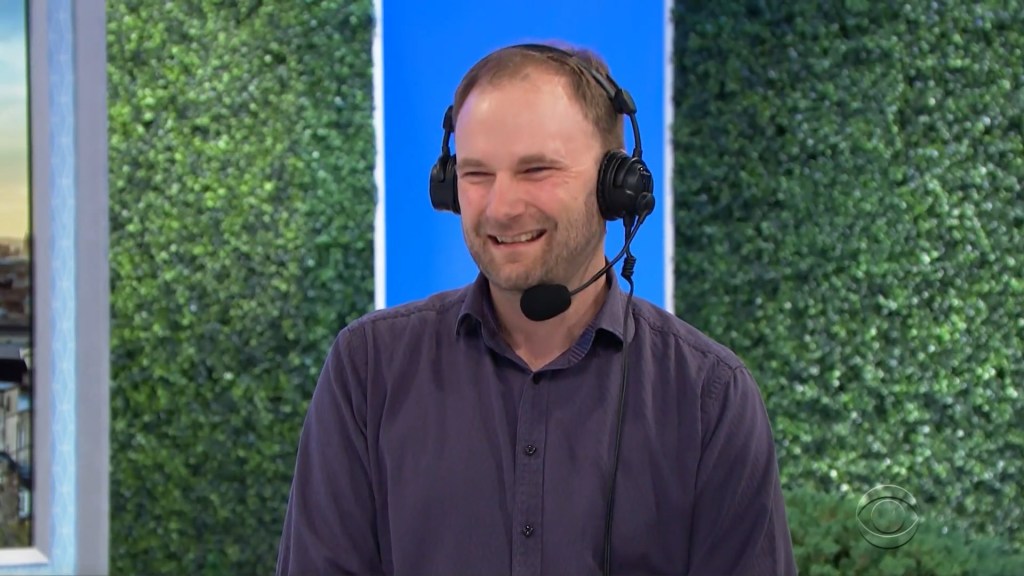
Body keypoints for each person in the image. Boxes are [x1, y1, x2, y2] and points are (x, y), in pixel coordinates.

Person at [276, 41, 797, 576]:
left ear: (615, 187)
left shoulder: (710, 396)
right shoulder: (367, 370)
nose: (501, 207)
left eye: (536, 171)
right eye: (477, 174)